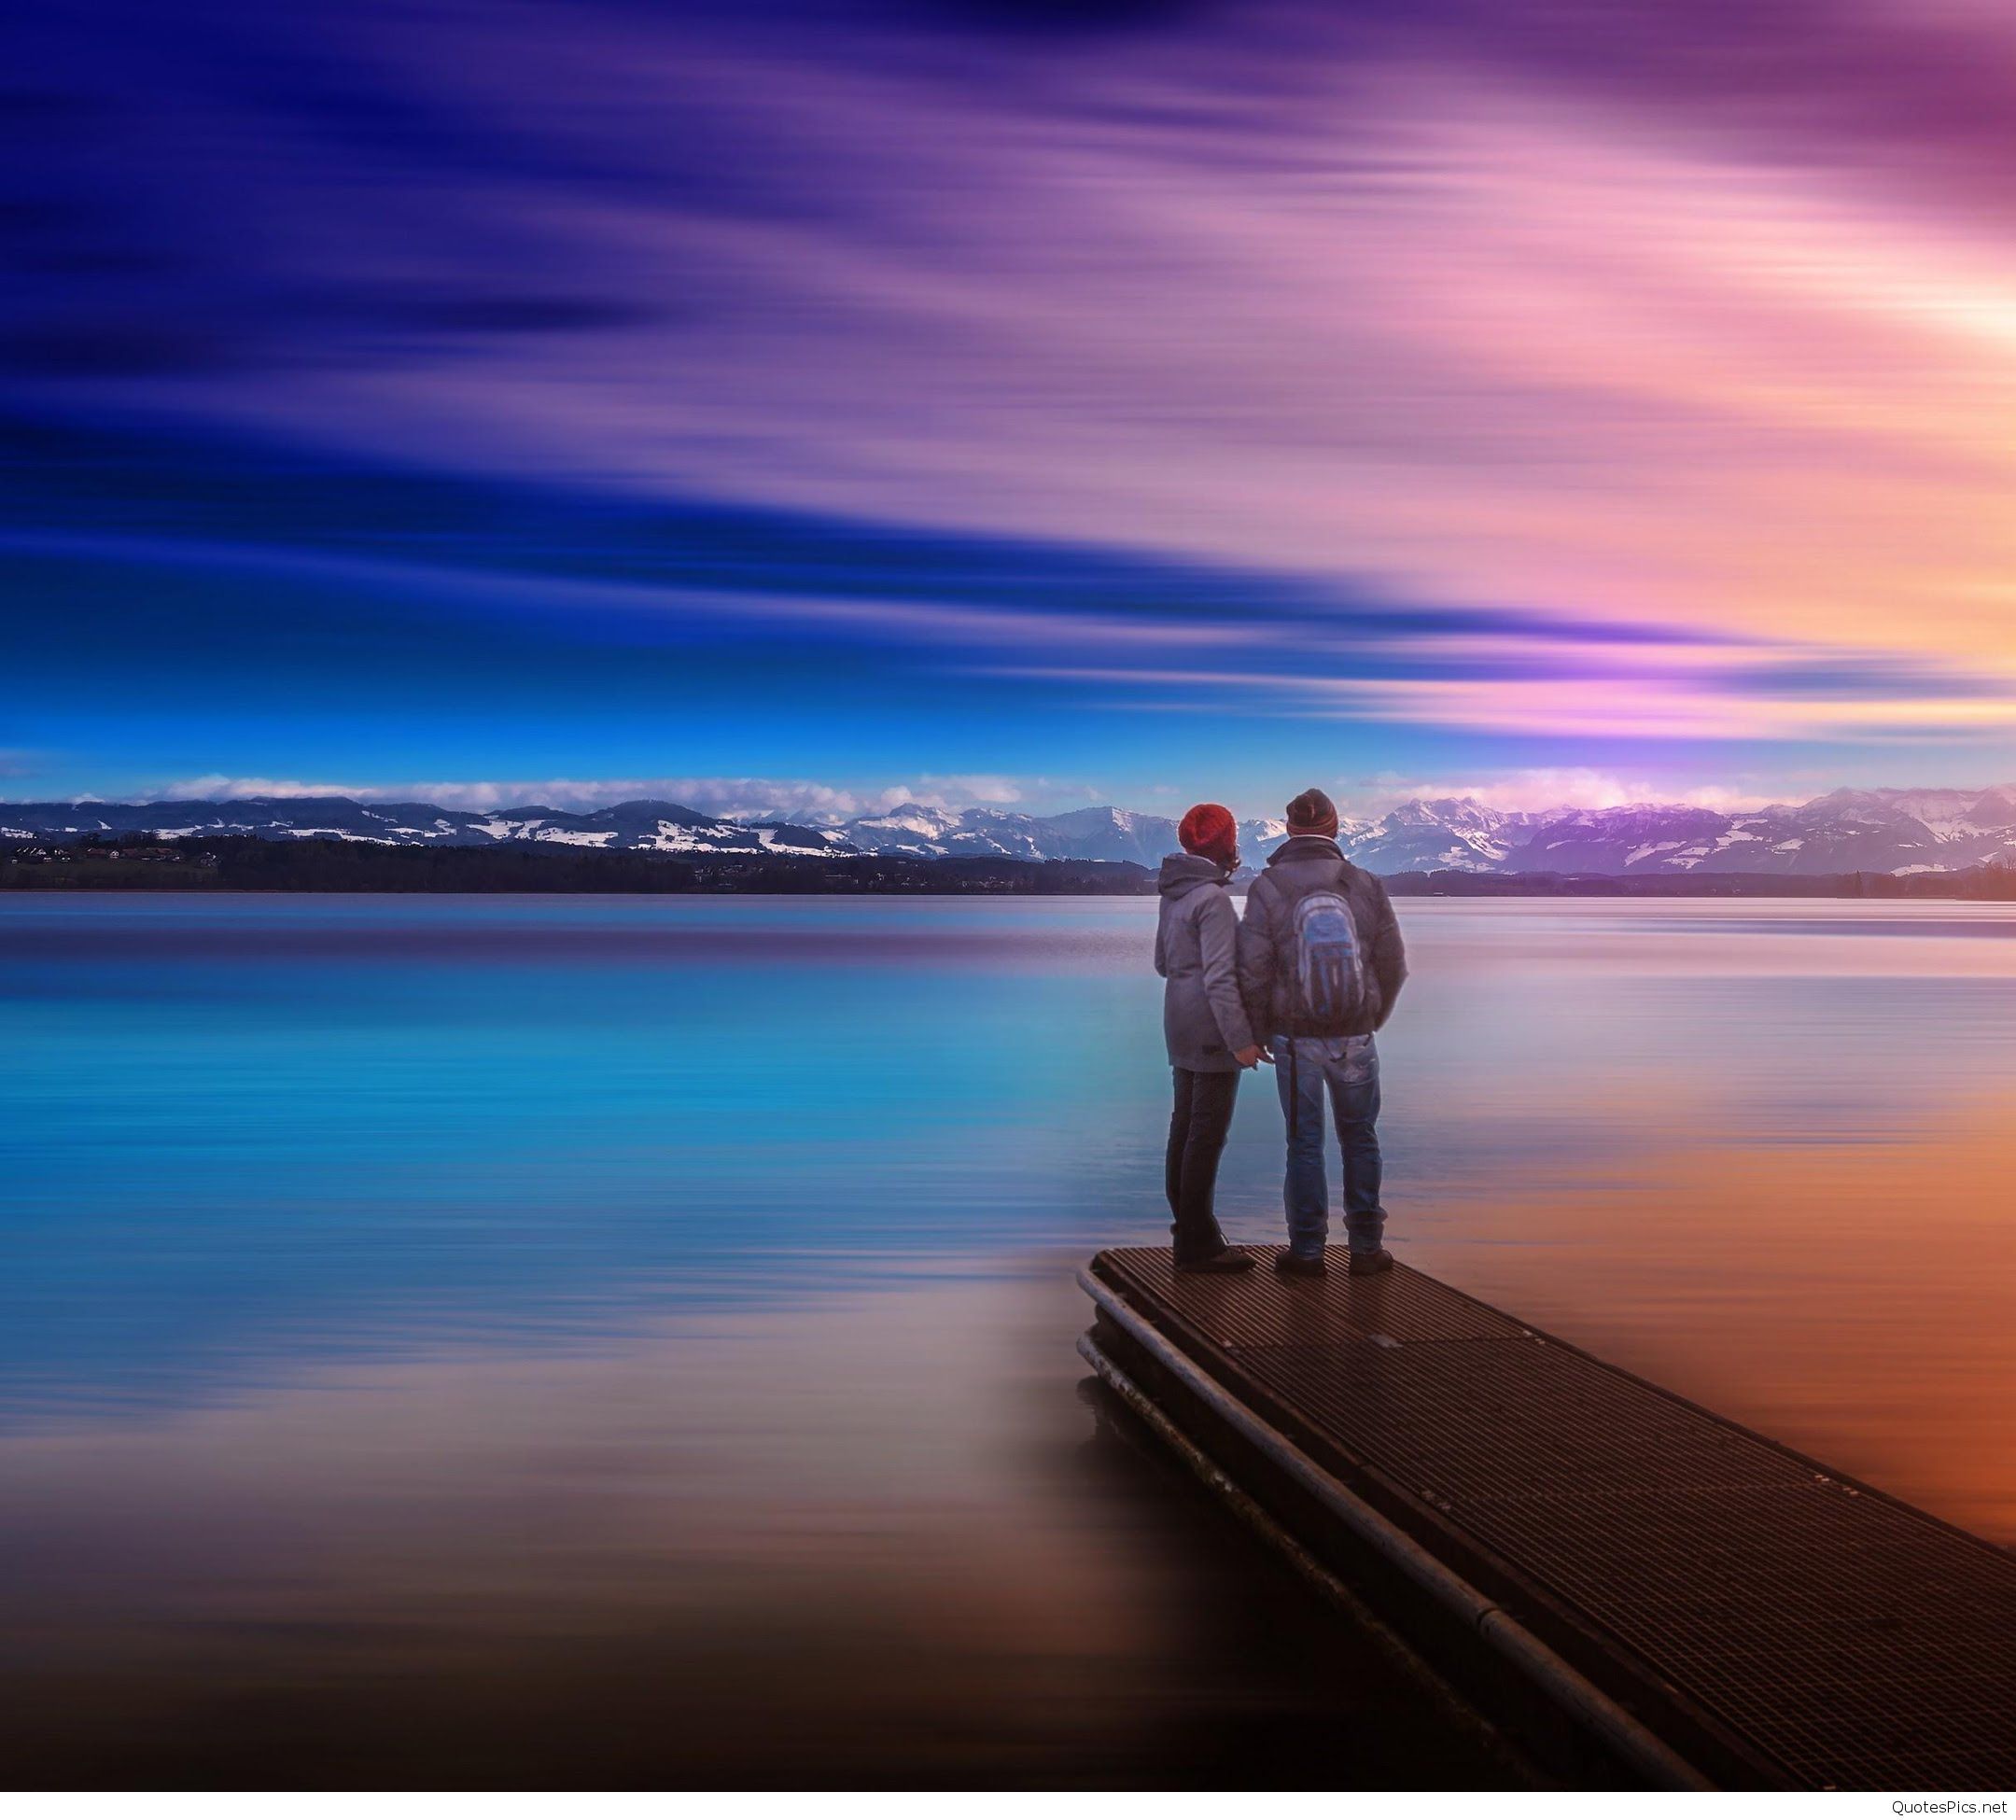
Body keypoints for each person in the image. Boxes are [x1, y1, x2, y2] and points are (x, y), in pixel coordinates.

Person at [1238, 787, 1407, 1278]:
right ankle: (1366, 1249)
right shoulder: (1365, 884)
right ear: (1334, 828)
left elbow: (1253, 969)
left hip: (1295, 1036)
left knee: (1304, 1143)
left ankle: (1308, 1252)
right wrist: (1370, 1017)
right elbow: (1393, 963)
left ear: (1289, 828)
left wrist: (1261, 1030)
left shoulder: (1267, 886)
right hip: (1356, 1033)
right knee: (1361, 1139)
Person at [1155, 803, 1267, 1273]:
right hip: (1210, 1025)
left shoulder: (1175, 894)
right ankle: (1198, 1244)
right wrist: (1241, 1039)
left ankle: (1190, 1231)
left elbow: (1162, 963)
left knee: (1185, 1127)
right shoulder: (1214, 901)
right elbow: (1221, 979)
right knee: (1207, 1135)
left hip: (1177, 1019)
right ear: (1227, 843)